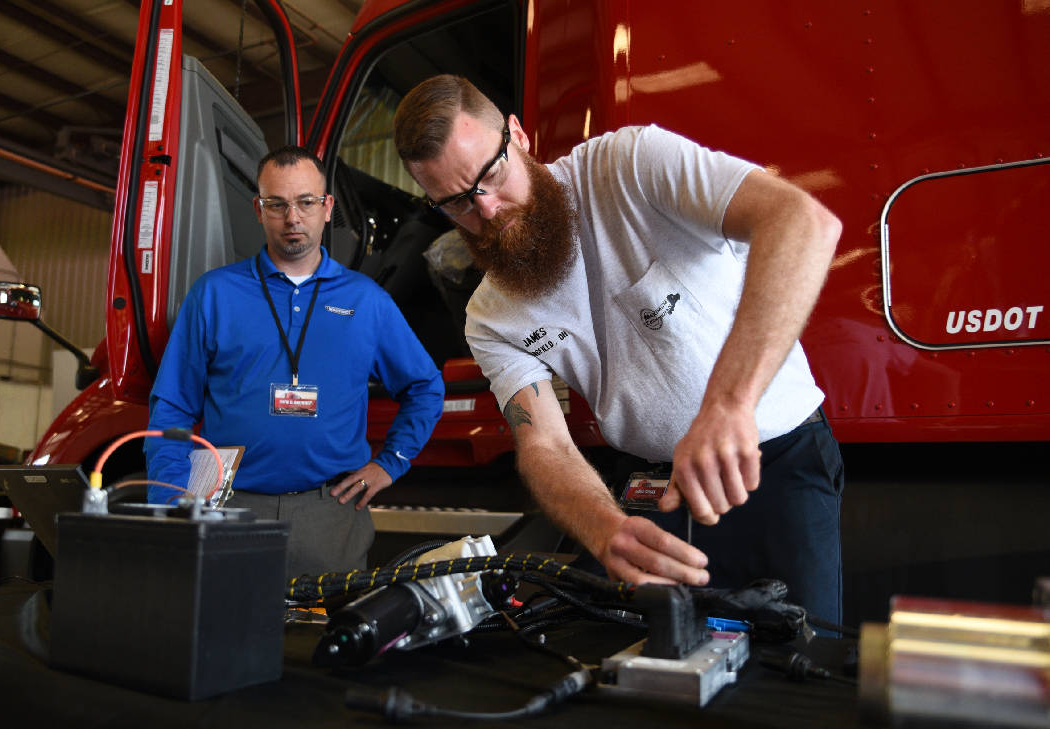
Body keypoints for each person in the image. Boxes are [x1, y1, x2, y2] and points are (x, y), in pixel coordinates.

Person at [392, 75, 844, 624]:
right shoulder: (490, 316)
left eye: (491, 174)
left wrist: (730, 405)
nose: (486, 210)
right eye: (456, 202)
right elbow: (546, 448)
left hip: (774, 464)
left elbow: (803, 222)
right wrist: (605, 531)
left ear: (518, 134)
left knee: (800, 674)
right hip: (650, 490)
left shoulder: (629, 165)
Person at [145, 145, 445, 577]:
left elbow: (425, 387)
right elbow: (172, 405)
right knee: (222, 636)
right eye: (277, 204)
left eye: (306, 202)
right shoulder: (214, 294)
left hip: (330, 513)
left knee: (323, 638)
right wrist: (172, 497)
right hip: (229, 506)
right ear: (258, 208)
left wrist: (391, 462)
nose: (292, 218)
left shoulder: (366, 302)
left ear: (327, 208)